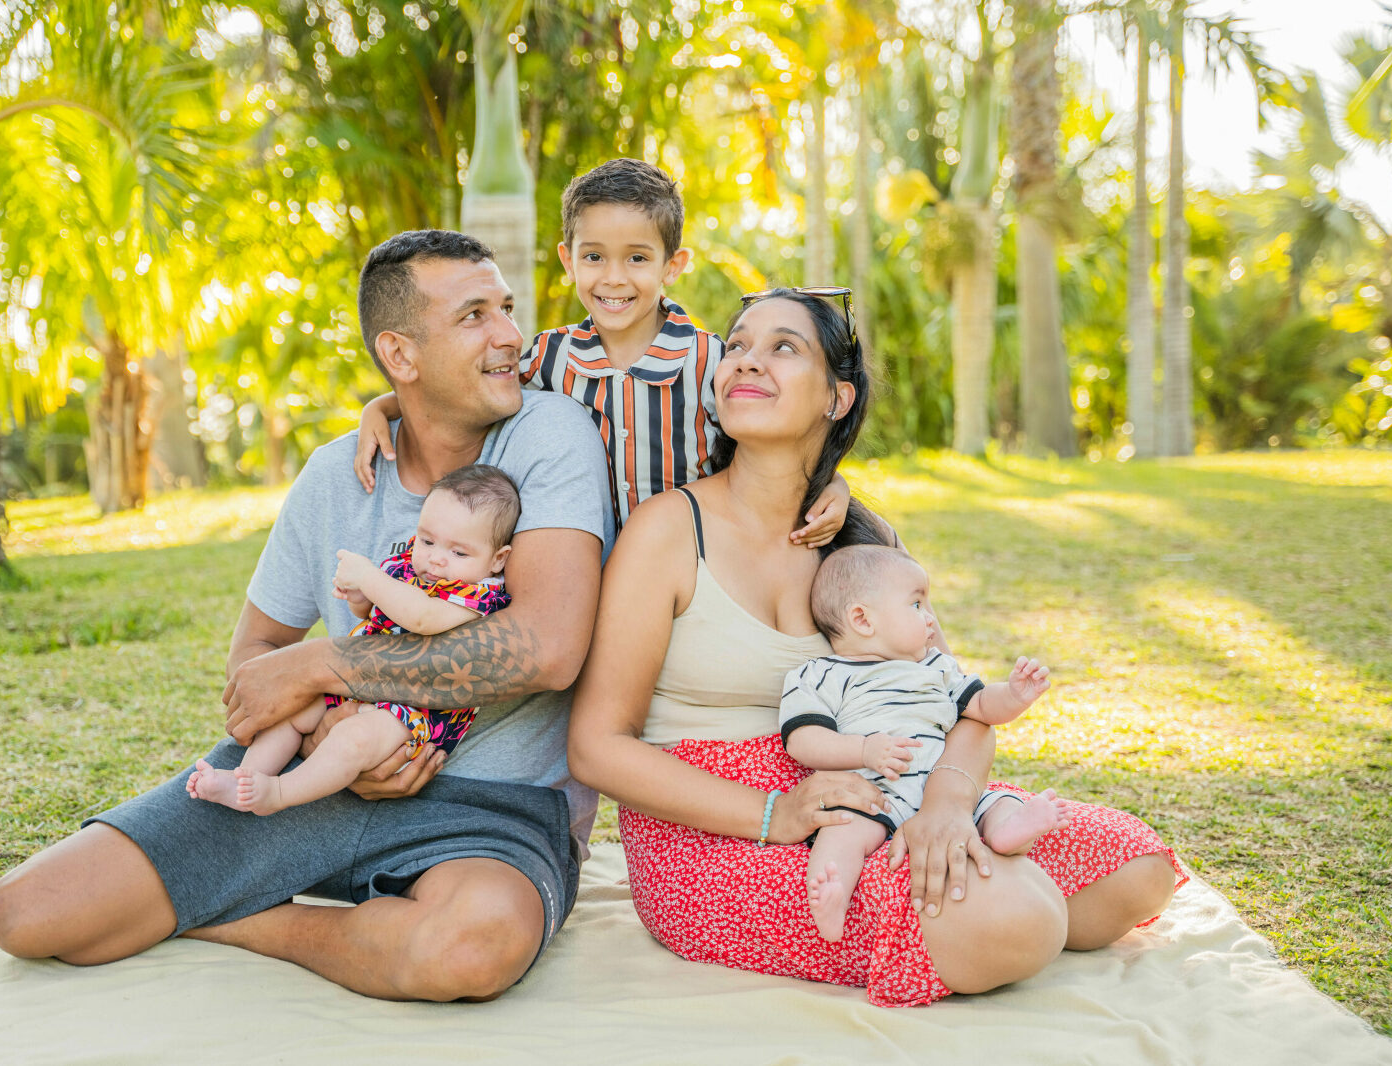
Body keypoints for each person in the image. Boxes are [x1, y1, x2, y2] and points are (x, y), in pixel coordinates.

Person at [0, 230, 616, 1003]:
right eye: (475, 315)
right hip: (311, 783)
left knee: (469, 950)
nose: (510, 335)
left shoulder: (548, 434)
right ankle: (286, 896)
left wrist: (327, 665)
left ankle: (247, 920)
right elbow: (254, 658)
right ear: (400, 357)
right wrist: (327, 739)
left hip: (493, 815)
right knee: (26, 913)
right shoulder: (331, 477)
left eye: (507, 310)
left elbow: (547, 649)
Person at [567, 287, 1186, 1007]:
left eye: (783, 347)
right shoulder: (670, 530)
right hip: (717, 825)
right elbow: (597, 746)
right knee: (1019, 919)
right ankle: (982, 918)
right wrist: (778, 815)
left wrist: (948, 808)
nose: (746, 362)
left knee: (1134, 869)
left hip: (890, 788)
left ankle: (973, 911)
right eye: (736, 345)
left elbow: (957, 699)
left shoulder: (865, 539)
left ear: (837, 398)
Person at [350, 158, 850, 545]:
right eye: (594, 257)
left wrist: (833, 486)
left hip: (696, 559)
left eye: (637, 257)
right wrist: (384, 405)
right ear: (568, 260)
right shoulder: (551, 356)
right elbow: (470, 385)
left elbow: (777, 443)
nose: (613, 278)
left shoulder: (710, 361)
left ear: (672, 266)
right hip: (589, 564)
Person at [186, 464, 521, 817]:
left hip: (412, 711)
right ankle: (245, 779)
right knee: (292, 712)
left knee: (353, 739)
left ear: (497, 559)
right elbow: (372, 612)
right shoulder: (414, 564)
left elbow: (421, 618)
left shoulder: (478, 596)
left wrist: (369, 576)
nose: (436, 558)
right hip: (357, 681)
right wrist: (358, 593)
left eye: (459, 553)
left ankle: (278, 793)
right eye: (427, 540)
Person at [782, 544, 1072, 942]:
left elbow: (982, 707)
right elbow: (803, 740)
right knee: (842, 828)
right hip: (877, 795)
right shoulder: (821, 675)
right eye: (917, 604)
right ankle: (832, 893)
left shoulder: (935, 667)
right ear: (863, 619)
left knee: (998, 800)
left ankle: (1008, 829)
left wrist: (1015, 697)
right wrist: (863, 751)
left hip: (944, 789)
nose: (932, 619)